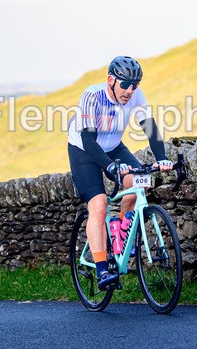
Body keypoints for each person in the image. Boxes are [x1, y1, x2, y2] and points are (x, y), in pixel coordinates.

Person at [67, 56, 173, 290]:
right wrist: (110, 167)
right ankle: (103, 268)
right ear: (110, 80)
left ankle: (120, 237)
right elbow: (89, 140)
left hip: (114, 146)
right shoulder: (92, 95)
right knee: (99, 204)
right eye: (125, 84)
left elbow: (150, 128)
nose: (130, 90)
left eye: (135, 85)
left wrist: (162, 158)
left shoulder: (136, 95)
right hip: (84, 150)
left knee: (140, 183)